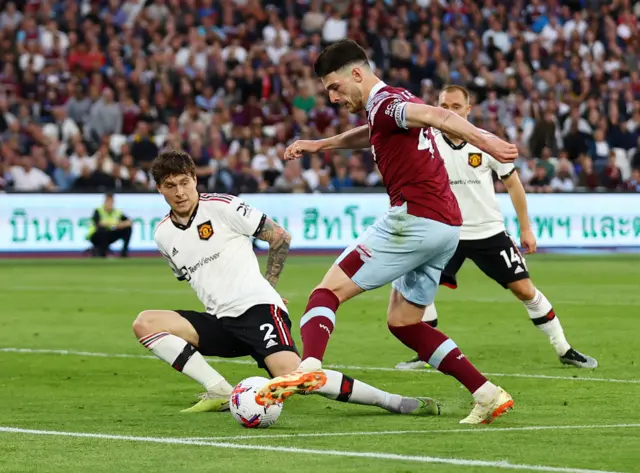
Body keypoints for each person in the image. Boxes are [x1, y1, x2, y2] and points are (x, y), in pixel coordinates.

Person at [257, 40, 519, 425]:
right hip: (446, 227)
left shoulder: (387, 104)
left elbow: (438, 116)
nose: (332, 98)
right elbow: (371, 133)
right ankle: (487, 394)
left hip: (412, 219)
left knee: (325, 293)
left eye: (335, 87)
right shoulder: (387, 105)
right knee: (405, 323)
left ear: (357, 74)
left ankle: (308, 366)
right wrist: (322, 145)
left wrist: (487, 141)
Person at [132, 149, 440, 416]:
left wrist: (270, 285)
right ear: (159, 189)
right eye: (170, 186)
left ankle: (396, 402)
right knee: (145, 322)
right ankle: (219, 390)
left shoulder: (223, 207)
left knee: (300, 379)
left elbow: (279, 236)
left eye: (185, 182)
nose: (180, 192)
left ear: (195, 179)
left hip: (257, 311)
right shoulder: (163, 235)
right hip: (219, 320)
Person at [395, 86, 597, 371]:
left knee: (526, 290)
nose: (449, 111)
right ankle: (426, 354)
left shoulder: (486, 141)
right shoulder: (427, 142)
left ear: (468, 110)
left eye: (455, 106)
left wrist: (526, 229)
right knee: (420, 289)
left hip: (488, 232)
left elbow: (513, 183)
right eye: (443, 105)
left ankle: (564, 349)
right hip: (445, 231)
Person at [87, 193, 132, 257]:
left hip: (109, 235)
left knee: (127, 229)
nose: (110, 204)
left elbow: (129, 221)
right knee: (103, 231)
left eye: (111, 202)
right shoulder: (98, 211)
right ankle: (101, 253)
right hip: (96, 236)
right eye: (108, 202)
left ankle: (124, 253)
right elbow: (99, 223)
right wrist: (115, 223)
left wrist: (122, 224)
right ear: (105, 202)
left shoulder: (117, 212)